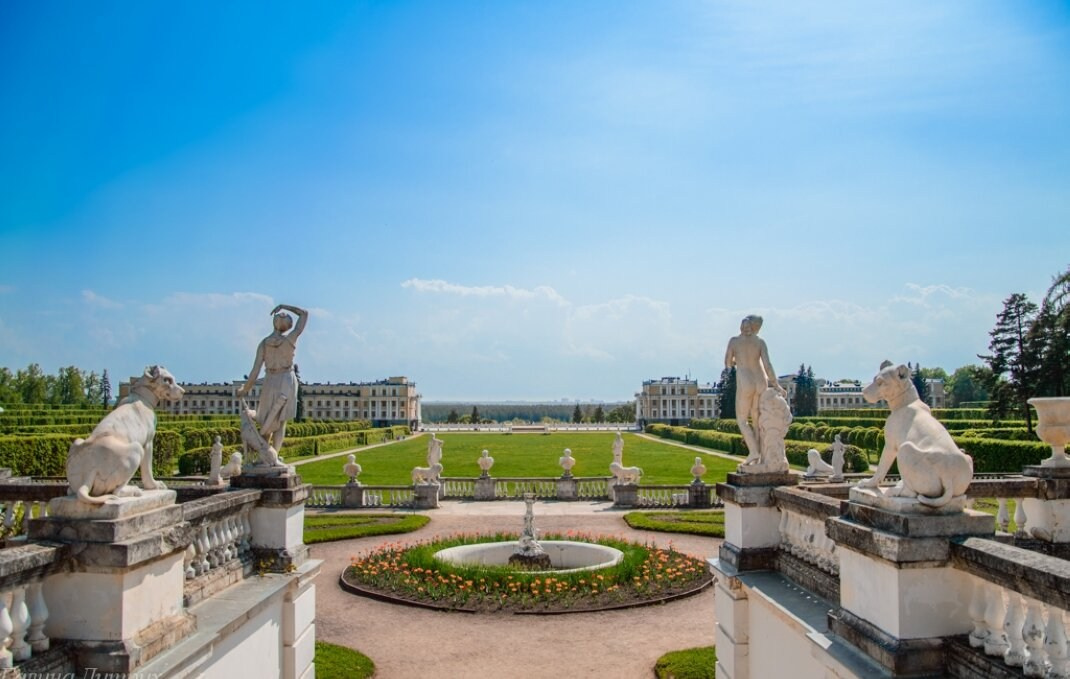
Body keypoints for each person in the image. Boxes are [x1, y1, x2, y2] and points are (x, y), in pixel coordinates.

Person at [236, 303, 308, 452]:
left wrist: (245, 389)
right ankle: (272, 455)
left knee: (266, 420)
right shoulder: (290, 339)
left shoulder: (264, 343)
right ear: (288, 326)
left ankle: (267, 456)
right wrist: (284, 307)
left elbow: (255, 371)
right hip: (287, 379)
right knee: (279, 422)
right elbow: (304, 314)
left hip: (270, 379)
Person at [724, 315, 784, 462]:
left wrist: (737, 361)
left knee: (742, 421)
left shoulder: (734, 341)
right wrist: (776, 385)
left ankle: (754, 452)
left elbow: (727, 363)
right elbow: (768, 366)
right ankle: (760, 457)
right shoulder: (760, 342)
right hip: (760, 380)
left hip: (746, 381)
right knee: (757, 420)